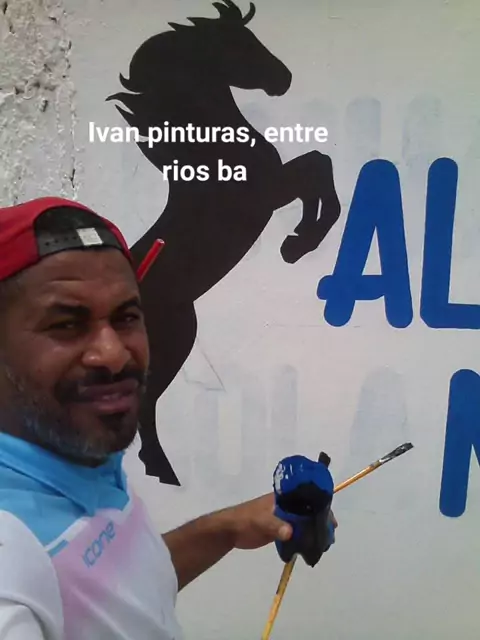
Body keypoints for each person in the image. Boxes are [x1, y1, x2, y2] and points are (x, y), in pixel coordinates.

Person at [0, 197, 337, 639]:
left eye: (126, 317)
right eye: (66, 324)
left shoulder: (72, 458)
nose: (113, 353)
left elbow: (110, 595)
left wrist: (226, 528)